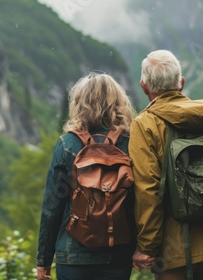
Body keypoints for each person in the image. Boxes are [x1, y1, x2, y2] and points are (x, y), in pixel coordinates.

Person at [129, 50, 203, 279]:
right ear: (181, 83)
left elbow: (148, 192)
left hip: (172, 249)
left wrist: (146, 247)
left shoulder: (145, 125)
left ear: (144, 87)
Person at [36, 72, 136, 280]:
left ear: (80, 104)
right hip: (116, 255)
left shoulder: (67, 144)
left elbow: (52, 207)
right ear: (119, 103)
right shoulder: (131, 143)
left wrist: (43, 260)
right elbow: (141, 201)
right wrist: (144, 248)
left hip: (73, 256)